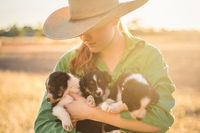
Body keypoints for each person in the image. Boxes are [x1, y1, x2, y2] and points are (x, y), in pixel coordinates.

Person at [34, 0, 175, 132]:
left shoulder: (148, 56)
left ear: (115, 19)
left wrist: (90, 112)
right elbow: (43, 125)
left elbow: (160, 121)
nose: (84, 36)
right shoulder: (69, 62)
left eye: (93, 26)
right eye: (79, 29)